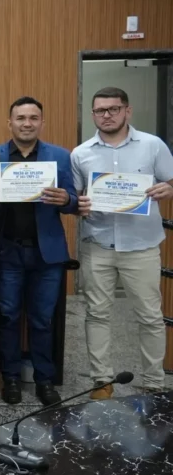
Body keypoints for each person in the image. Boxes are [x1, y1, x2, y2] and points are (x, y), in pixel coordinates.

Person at [72, 87, 173, 397]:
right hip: (98, 244)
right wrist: (79, 205)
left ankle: (154, 383)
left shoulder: (153, 146)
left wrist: (169, 188)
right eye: (100, 110)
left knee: (150, 317)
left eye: (113, 109)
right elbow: (76, 198)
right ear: (93, 114)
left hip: (141, 246)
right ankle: (101, 381)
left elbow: (170, 180)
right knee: (96, 314)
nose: (107, 115)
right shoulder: (81, 153)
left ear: (127, 111)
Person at [0, 96, 78, 406]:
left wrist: (65, 199)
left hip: (47, 254)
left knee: (42, 319)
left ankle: (45, 380)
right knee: (8, 317)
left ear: (42, 122)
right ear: (10, 123)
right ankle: (11, 379)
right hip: (7, 252)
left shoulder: (60, 156)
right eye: (20, 118)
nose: (26, 123)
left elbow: (73, 202)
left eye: (33, 118)